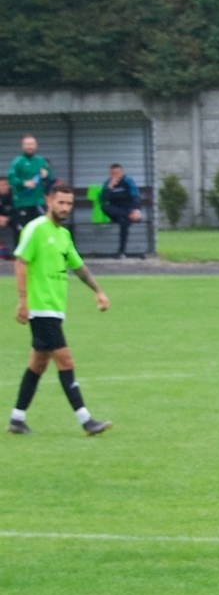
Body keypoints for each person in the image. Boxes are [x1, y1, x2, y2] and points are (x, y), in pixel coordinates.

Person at [9, 181, 111, 436]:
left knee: (38, 364)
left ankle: (16, 419)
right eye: (61, 202)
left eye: (69, 204)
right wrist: (23, 301)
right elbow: (20, 262)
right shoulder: (36, 229)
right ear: (49, 201)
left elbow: (78, 267)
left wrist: (98, 291)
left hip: (55, 309)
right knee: (65, 360)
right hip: (41, 309)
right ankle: (86, 420)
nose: (65, 208)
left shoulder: (64, 235)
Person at [7, 136, 52, 233]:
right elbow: (11, 178)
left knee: (41, 231)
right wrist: (24, 183)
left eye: (32, 144)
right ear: (22, 146)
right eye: (27, 144)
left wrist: (47, 174)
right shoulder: (17, 162)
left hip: (38, 202)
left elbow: (51, 177)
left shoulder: (40, 161)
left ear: (36, 146)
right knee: (23, 232)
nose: (30, 147)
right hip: (22, 203)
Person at [99, 164, 144, 259]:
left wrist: (136, 210)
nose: (115, 176)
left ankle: (121, 252)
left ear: (122, 173)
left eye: (117, 173)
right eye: (113, 173)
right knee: (104, 207)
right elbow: (103, 200)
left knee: (123, 222)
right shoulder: (107, 183)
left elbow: (135, 196)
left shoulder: (128, 181)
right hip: (116, 212)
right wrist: (110, 187)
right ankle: (130, 216)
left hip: (127, 210)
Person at [0, 177, 13, 257]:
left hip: (12, 219)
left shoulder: (14, 195)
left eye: (5, 184)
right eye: (0, 185)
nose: (3, 187)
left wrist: (8, 218)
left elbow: (18, 211)